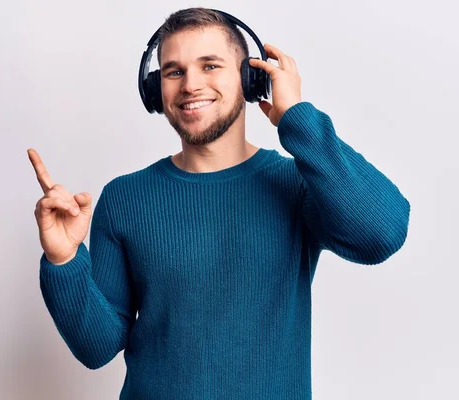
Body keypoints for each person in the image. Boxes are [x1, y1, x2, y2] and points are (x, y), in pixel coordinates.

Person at [28, 7, 410, 399]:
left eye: (210, 66)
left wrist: (297, 118)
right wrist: (63, 260)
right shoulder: (125, 197)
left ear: (251, 79)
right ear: (155, 89)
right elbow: (97, 347)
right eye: (175, 71)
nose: (191, 84)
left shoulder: (296, 184)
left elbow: (382, 234)